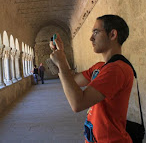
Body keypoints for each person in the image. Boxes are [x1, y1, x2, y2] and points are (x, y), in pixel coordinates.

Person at [50, 15, 133, 143]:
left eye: (96, 32)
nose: (91, 38)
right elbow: (72, 81)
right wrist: (61, 53)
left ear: (112, 35)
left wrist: (61, 63)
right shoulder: (100, 67)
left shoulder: (116, 70)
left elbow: (77, 103)